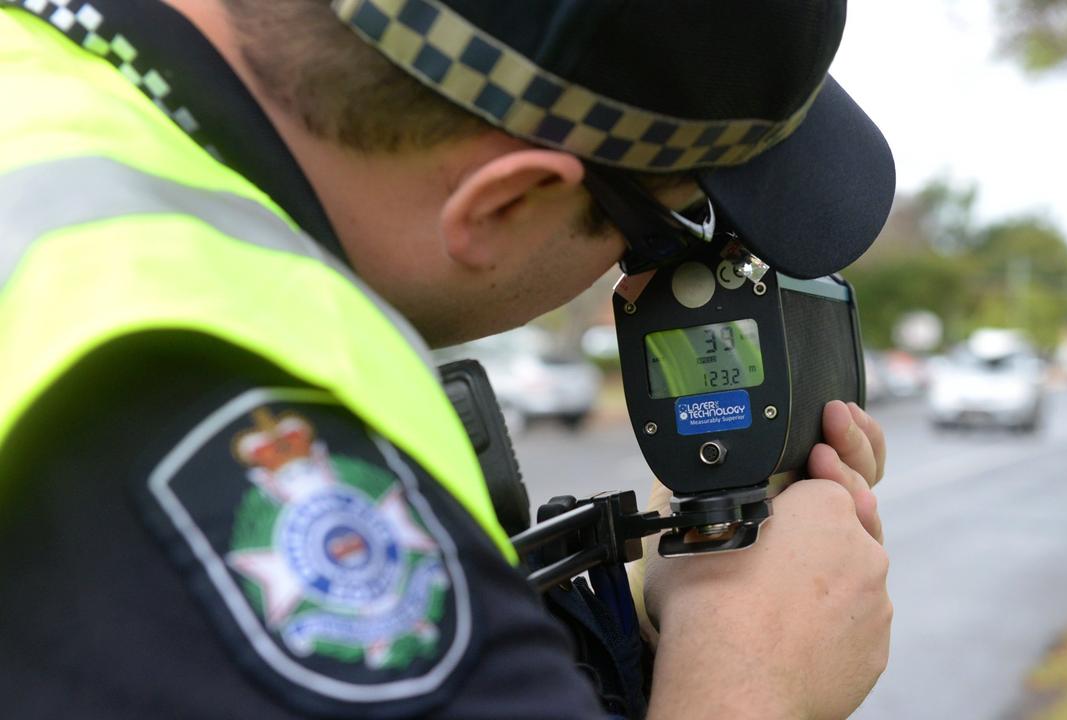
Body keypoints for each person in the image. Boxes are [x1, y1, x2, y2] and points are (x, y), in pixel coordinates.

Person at [0, 0, 895, 718]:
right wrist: (753, 683)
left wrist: (631, 616)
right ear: (505, 204)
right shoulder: (209, 400)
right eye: (667, 226)